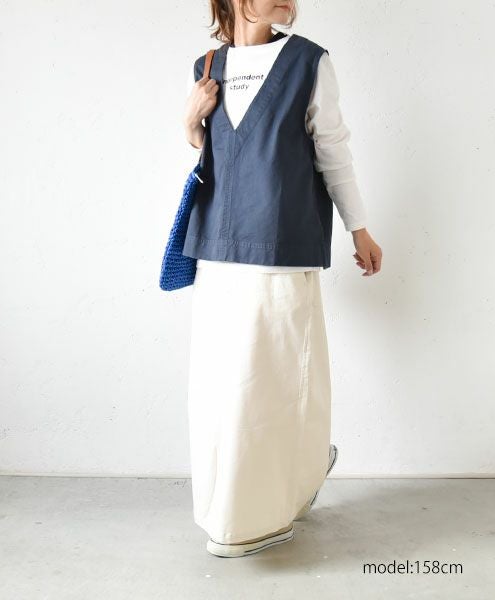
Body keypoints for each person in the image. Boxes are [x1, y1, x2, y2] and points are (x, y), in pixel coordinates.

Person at [182, 0, 383, 558]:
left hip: (281, 245)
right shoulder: (207, 67)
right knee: (220, 389)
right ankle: (254, 497)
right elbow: (218, 156)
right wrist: (191, 123)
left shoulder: (309, 62)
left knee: (273, 383)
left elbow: (332, 150)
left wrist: (359, 228)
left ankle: (261, 511)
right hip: (218, 249)